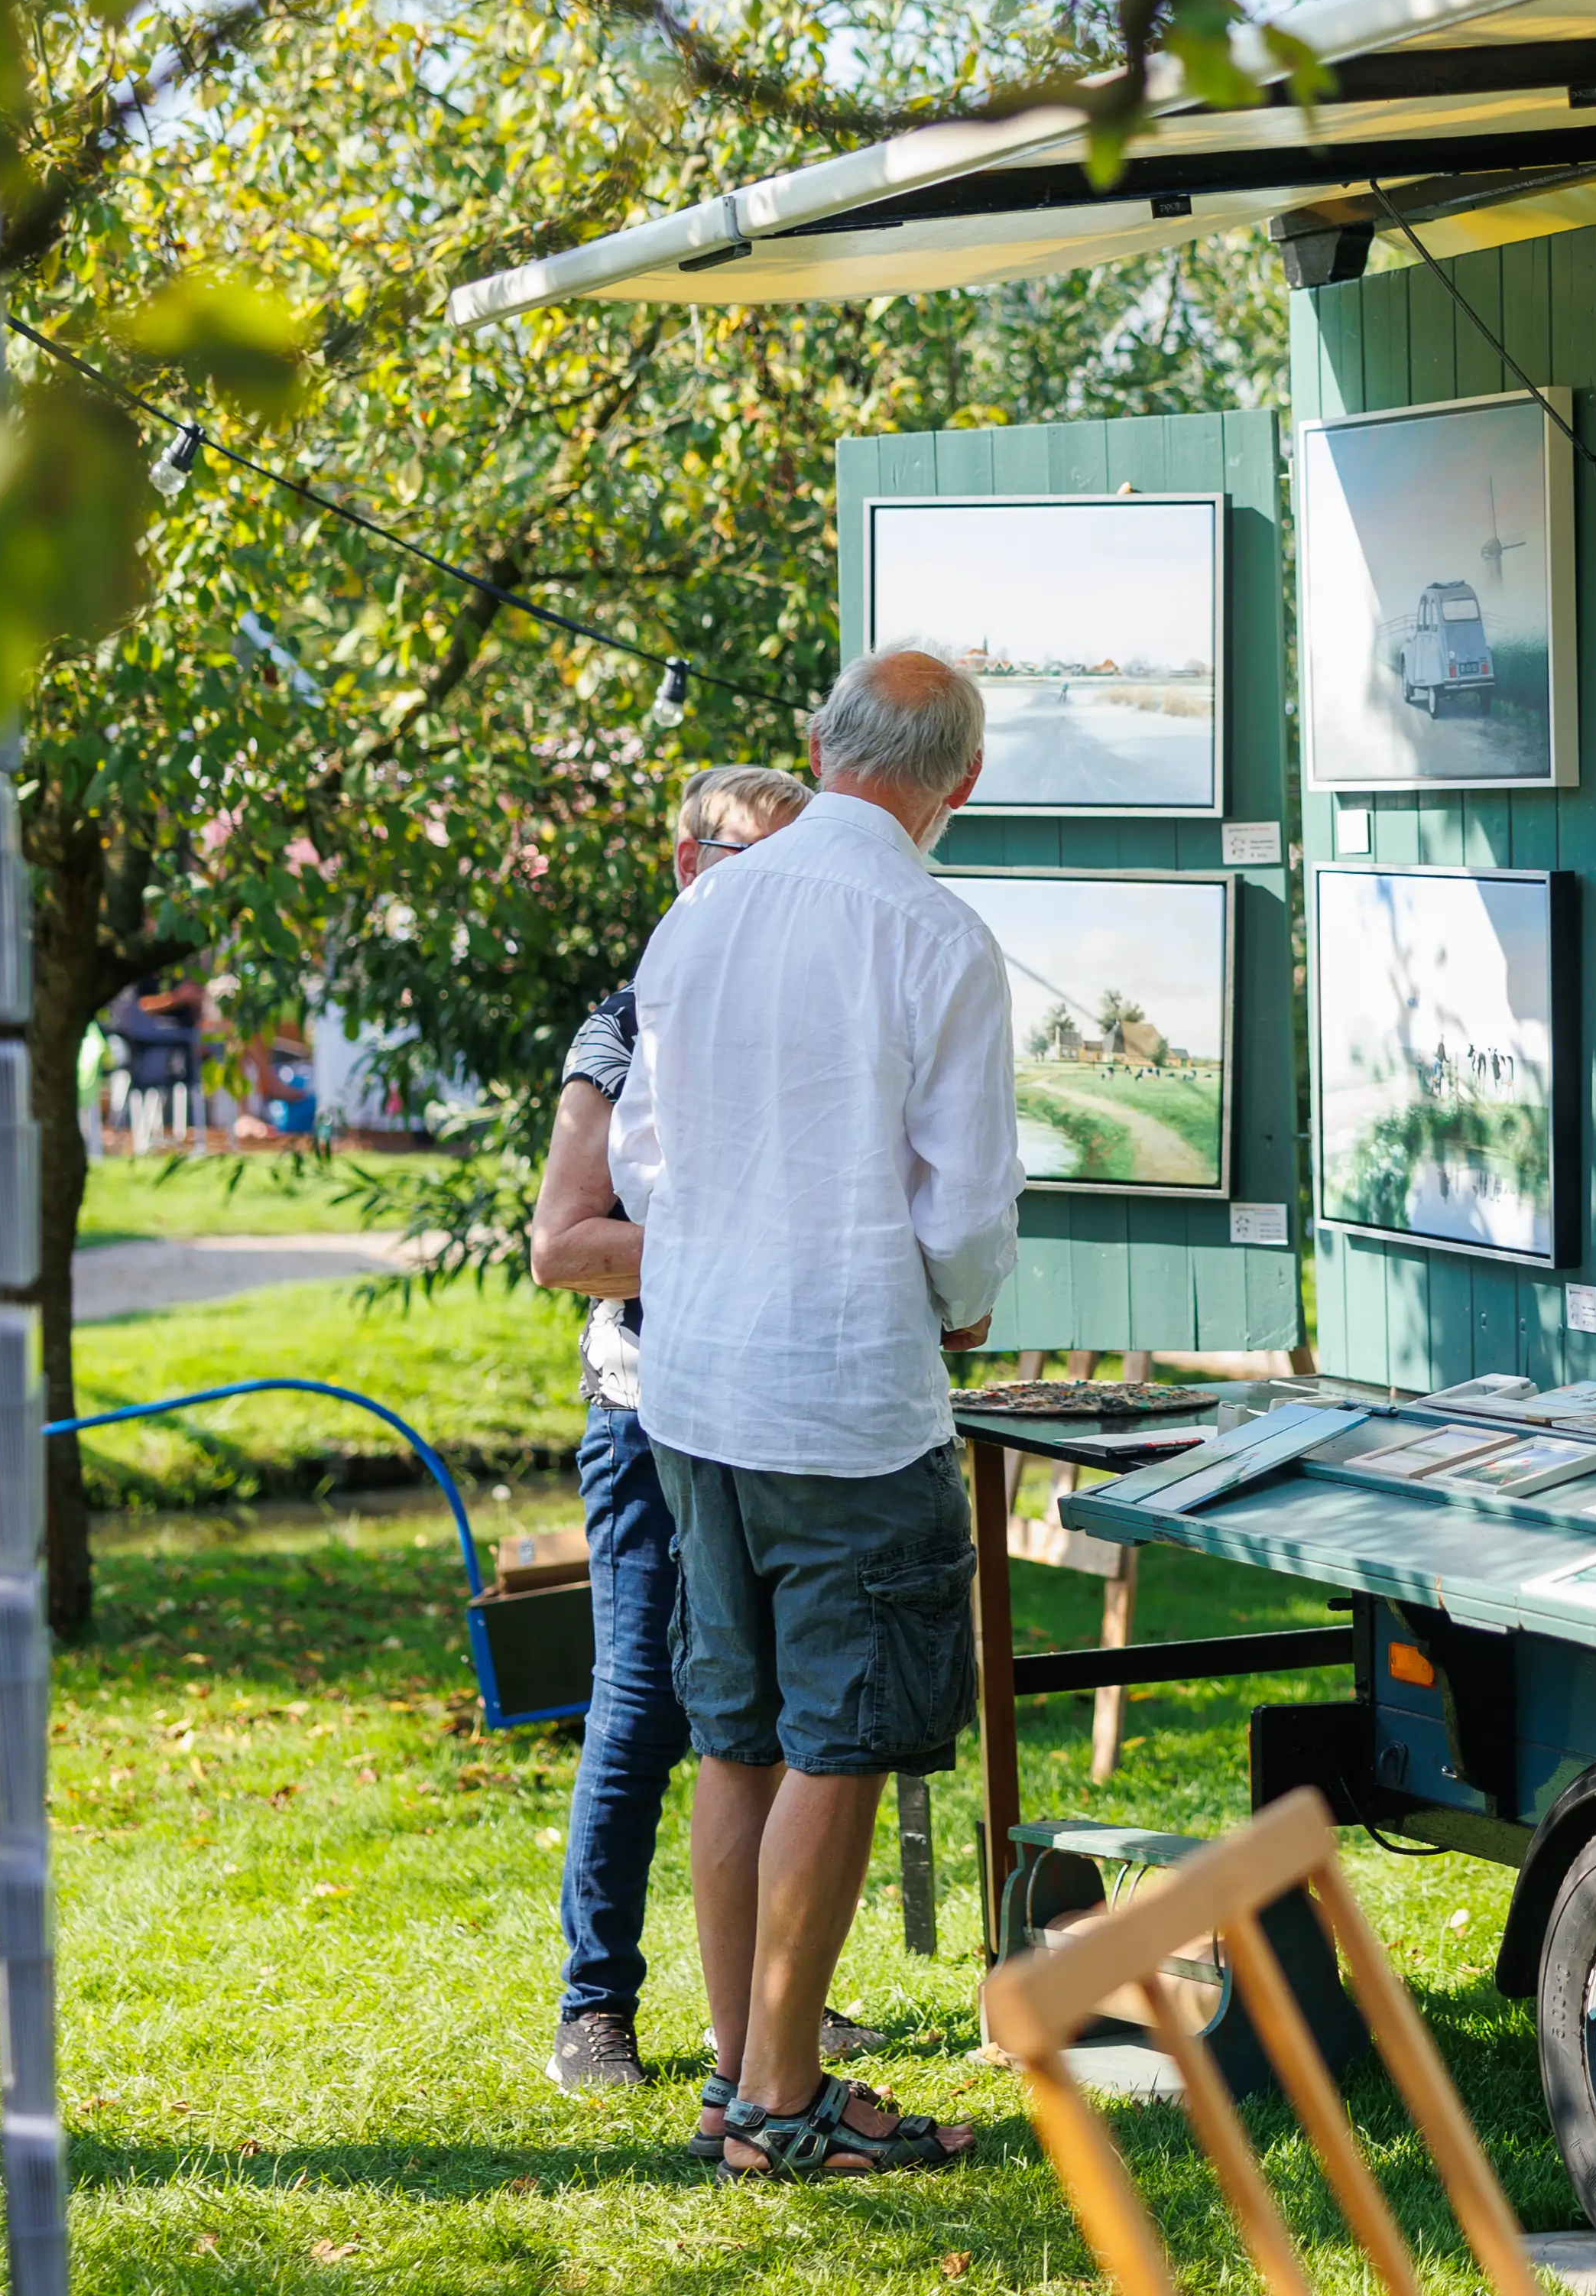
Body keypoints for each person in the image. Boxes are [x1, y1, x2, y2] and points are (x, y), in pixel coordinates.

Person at [611, 648, 1022, 2179]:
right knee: (839, 1742)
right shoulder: (936, 931)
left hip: (697, 1379)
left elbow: (643, 1159)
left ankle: (742, 2078)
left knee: (736, 1737)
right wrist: (957, 1300)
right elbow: (964, 1210)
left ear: (816, 742)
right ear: (961, 782)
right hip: (844, 1388)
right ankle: (779, 2105)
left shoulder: (702, 910)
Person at [525, 762, 878, 2100]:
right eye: (748, 863)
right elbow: (563, 1246)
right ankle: (595, 2006)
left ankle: (778, 2006)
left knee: (781, 1718)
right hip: (648, 1416)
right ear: (687, 866)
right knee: (644, 1707)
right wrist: (742, 1239)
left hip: (775, 1412)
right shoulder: (625, 1027)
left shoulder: (807, 1020)